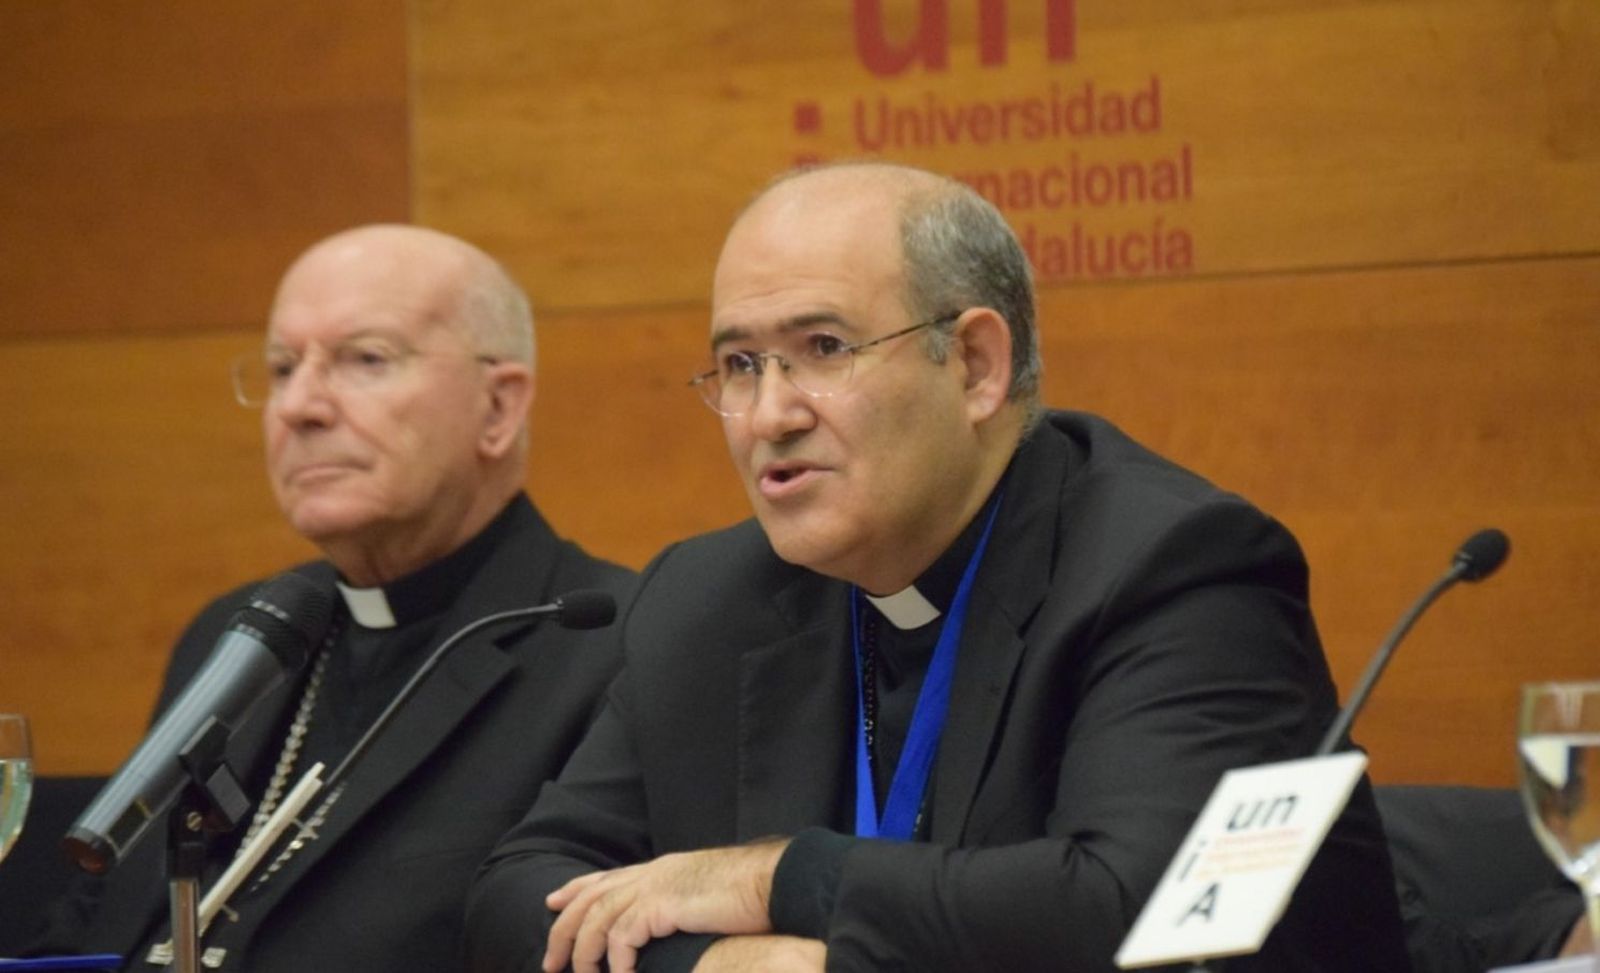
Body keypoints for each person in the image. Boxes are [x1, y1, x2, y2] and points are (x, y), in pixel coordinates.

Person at [464, 163, 1411, 972]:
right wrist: (718, 960)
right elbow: (518, 895)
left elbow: (1133, 911)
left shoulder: (1172, 567)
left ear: (974, 365)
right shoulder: (708, 598)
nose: (767, 416)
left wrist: (772, 875)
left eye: (823, 350)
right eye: (742, 365)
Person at [34, 225, 635, 971]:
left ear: (498, 407)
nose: (299, 406)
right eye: (283, 368)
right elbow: (88, 921)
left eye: (365, 360)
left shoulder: (616, 646)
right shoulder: (236, 634)